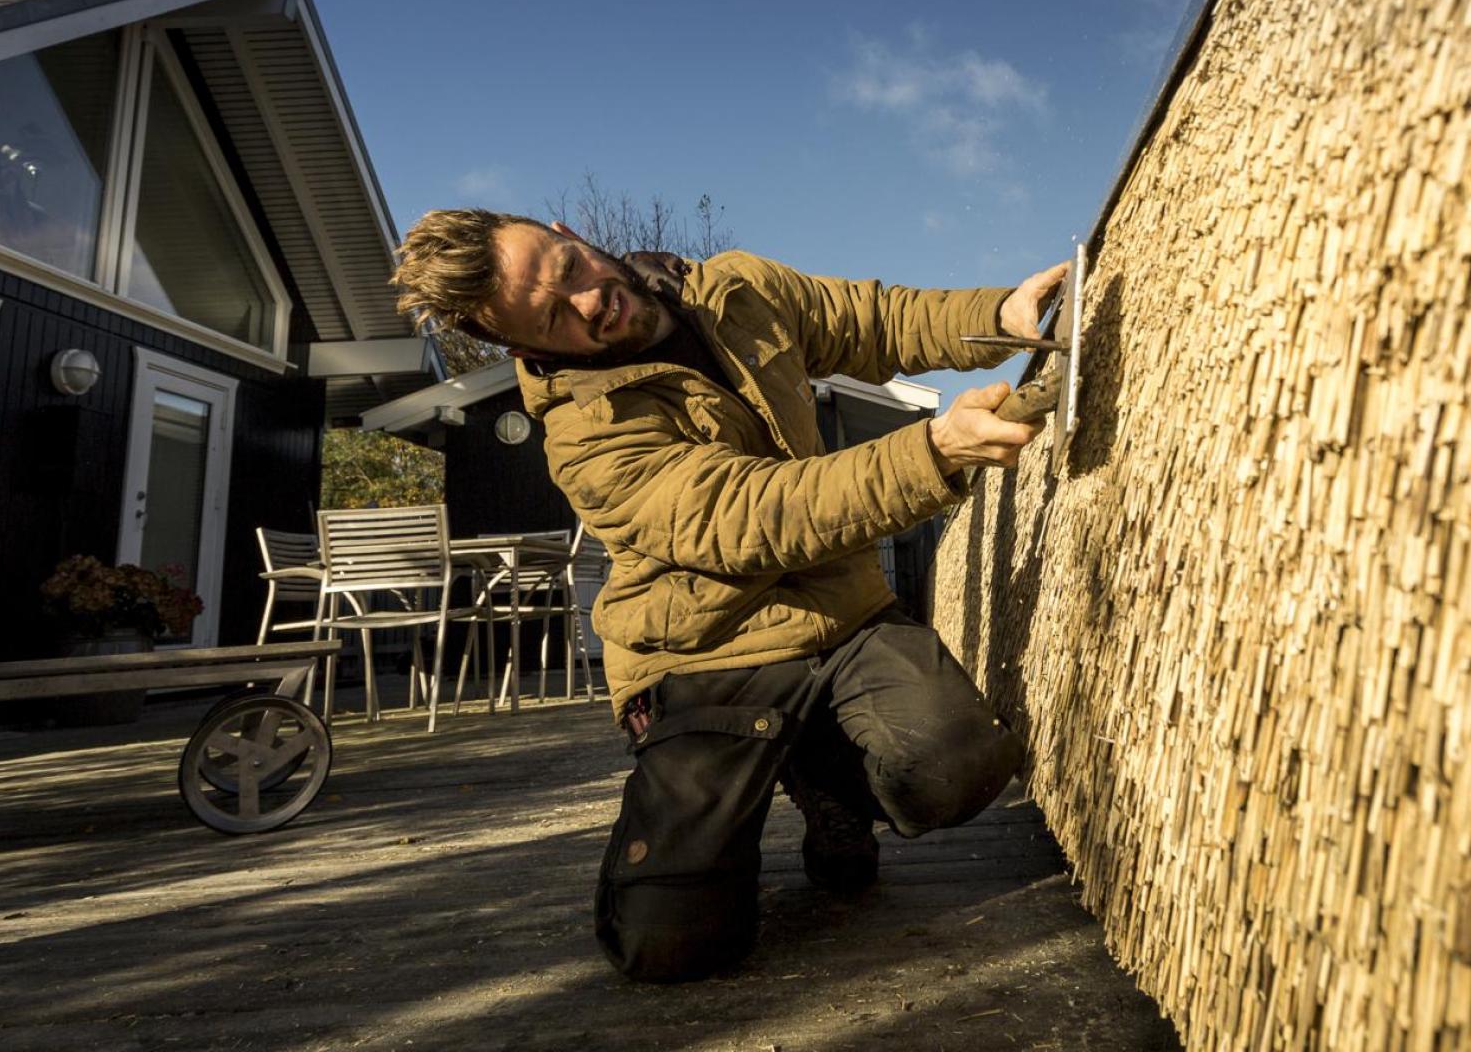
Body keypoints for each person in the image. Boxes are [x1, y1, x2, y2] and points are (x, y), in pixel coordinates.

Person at [392, 210, 1065, 982]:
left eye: (570, 268)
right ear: (524, 347)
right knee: (671, 945)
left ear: (566, 230)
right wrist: (934, 451)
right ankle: (693, 826)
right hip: (705, 655)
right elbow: (753, 516)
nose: (587, 302)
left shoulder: (738, 288)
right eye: (553, 316)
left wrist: (999, 315)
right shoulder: (585, 437)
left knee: (959, 763)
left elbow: (874, 322)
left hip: (840, 617)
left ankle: (824, 782)